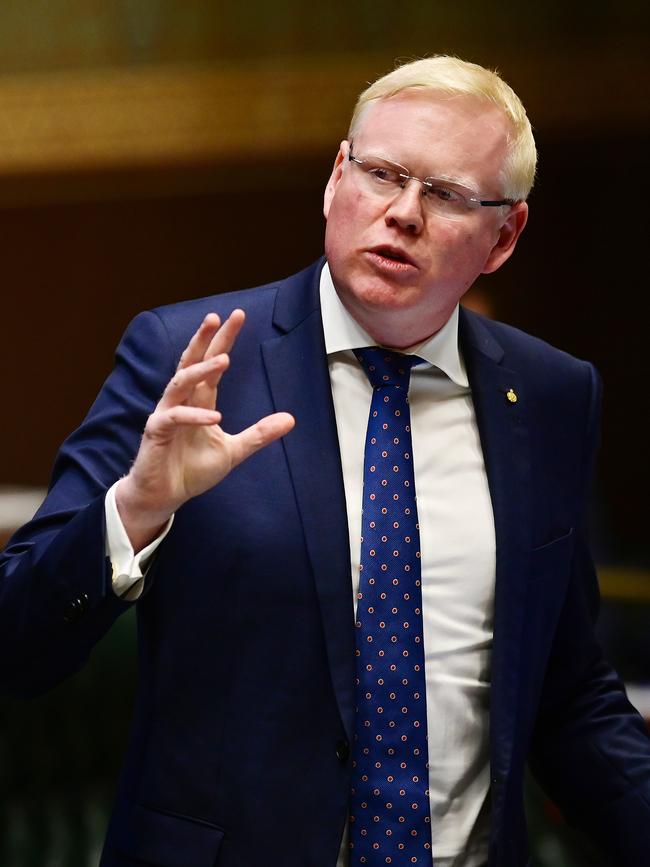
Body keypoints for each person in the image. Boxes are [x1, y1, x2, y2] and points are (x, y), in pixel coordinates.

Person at [1, 55, 649, 867]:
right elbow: (18, 645)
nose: (402, 214)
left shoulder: (551, 394)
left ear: (505, 236)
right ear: (335, 179)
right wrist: (135, 511)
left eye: (445, 195)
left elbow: (568, 689)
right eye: (381, 174)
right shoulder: (189, 358)